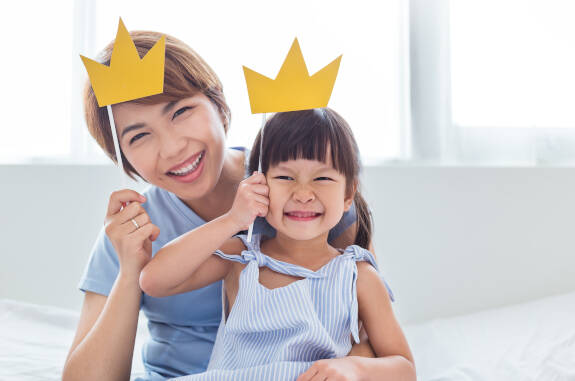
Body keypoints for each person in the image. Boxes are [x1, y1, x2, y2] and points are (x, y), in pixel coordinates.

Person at [63, 32, 370, 381]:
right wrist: (131, 269)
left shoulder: (303, 196)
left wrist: (347, 369)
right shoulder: (130, 232)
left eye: (180, 112)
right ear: (123, 158)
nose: (173, 147)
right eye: (139, 136)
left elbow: (367, 327)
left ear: (218, 102)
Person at [140, 108, 416, 381]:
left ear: (348, 194)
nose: (304, 194)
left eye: (322, 178)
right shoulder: (243, 257)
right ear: (258, 184)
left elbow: (404, 368)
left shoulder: (359, 276)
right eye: (285, 177)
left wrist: (355, 368)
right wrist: (232, 220)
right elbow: (154, 280)